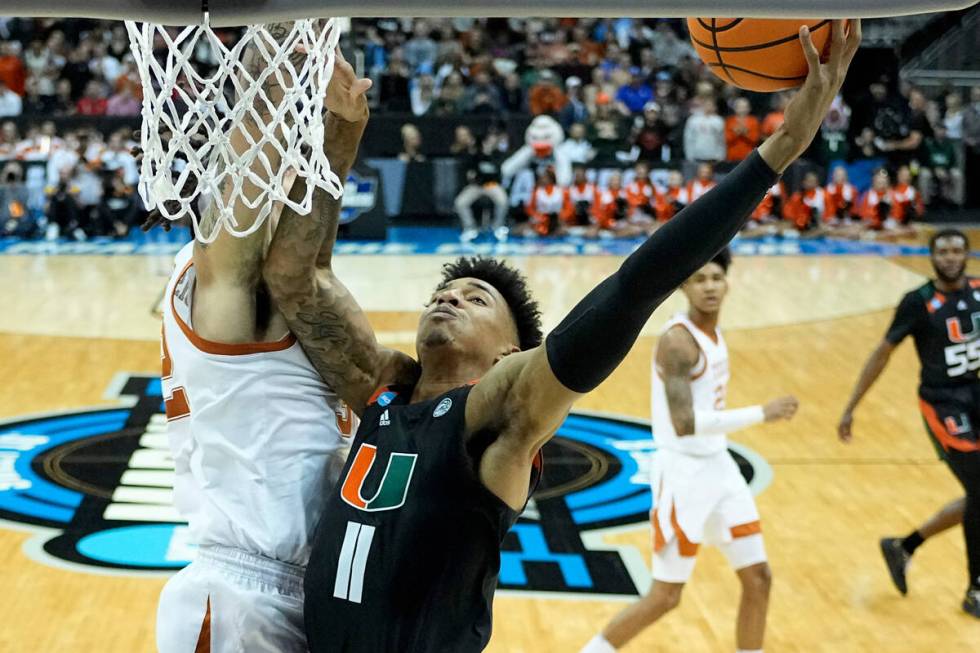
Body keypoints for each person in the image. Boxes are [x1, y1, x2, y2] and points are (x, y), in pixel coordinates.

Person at [260, 21, 860, 653]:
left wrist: (782, 148)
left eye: (476, 298)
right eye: (445, 292)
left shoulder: (496, 418)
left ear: (508, 356)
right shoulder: (382, 393)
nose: (447, 297)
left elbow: (634, 289)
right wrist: (341, 134)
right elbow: (297, 276)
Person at [153, 40, 370, 652]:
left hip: (308, 591)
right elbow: (246, 207)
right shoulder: (224, 295)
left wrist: (341, 130)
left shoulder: (289, 297)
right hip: (241, 597)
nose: (283, 193)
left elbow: (311, 256)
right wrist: (272, 78)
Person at [582, 249, 799, 653]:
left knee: (759, 577)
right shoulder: (677, 342)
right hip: (682, 473)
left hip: (719, 467)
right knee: (666, 596)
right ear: (684, 286)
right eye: (700, 279)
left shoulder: (715, 334)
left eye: (716, 277)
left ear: (727, 282)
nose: (710, 286)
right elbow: (685, 424)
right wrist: (760, 413)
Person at [838, 228, 980, 618]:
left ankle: (904, 546)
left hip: (977, 393)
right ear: (932, 257)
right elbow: (882, 354)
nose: (950, 257)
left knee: (978, 494)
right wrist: (852, 405)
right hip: (944, 403)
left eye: (957, 250)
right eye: (943, 251)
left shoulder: (979, 290)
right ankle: (975, 590)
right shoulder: (917, 302)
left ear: (967, 254)